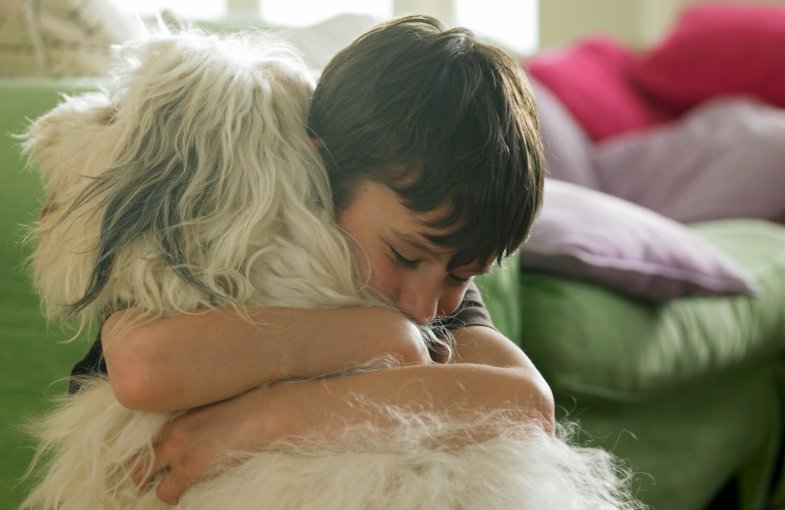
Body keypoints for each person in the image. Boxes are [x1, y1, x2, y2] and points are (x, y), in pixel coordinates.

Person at [69, 15, 549, 505]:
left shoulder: (429, 282)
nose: (426, 308)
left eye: (463, 274)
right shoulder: (226, 238)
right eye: (406, 256)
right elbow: (144, 369)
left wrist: (254, 424)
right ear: (320, 174)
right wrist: (384, 338)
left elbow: (529, 406)